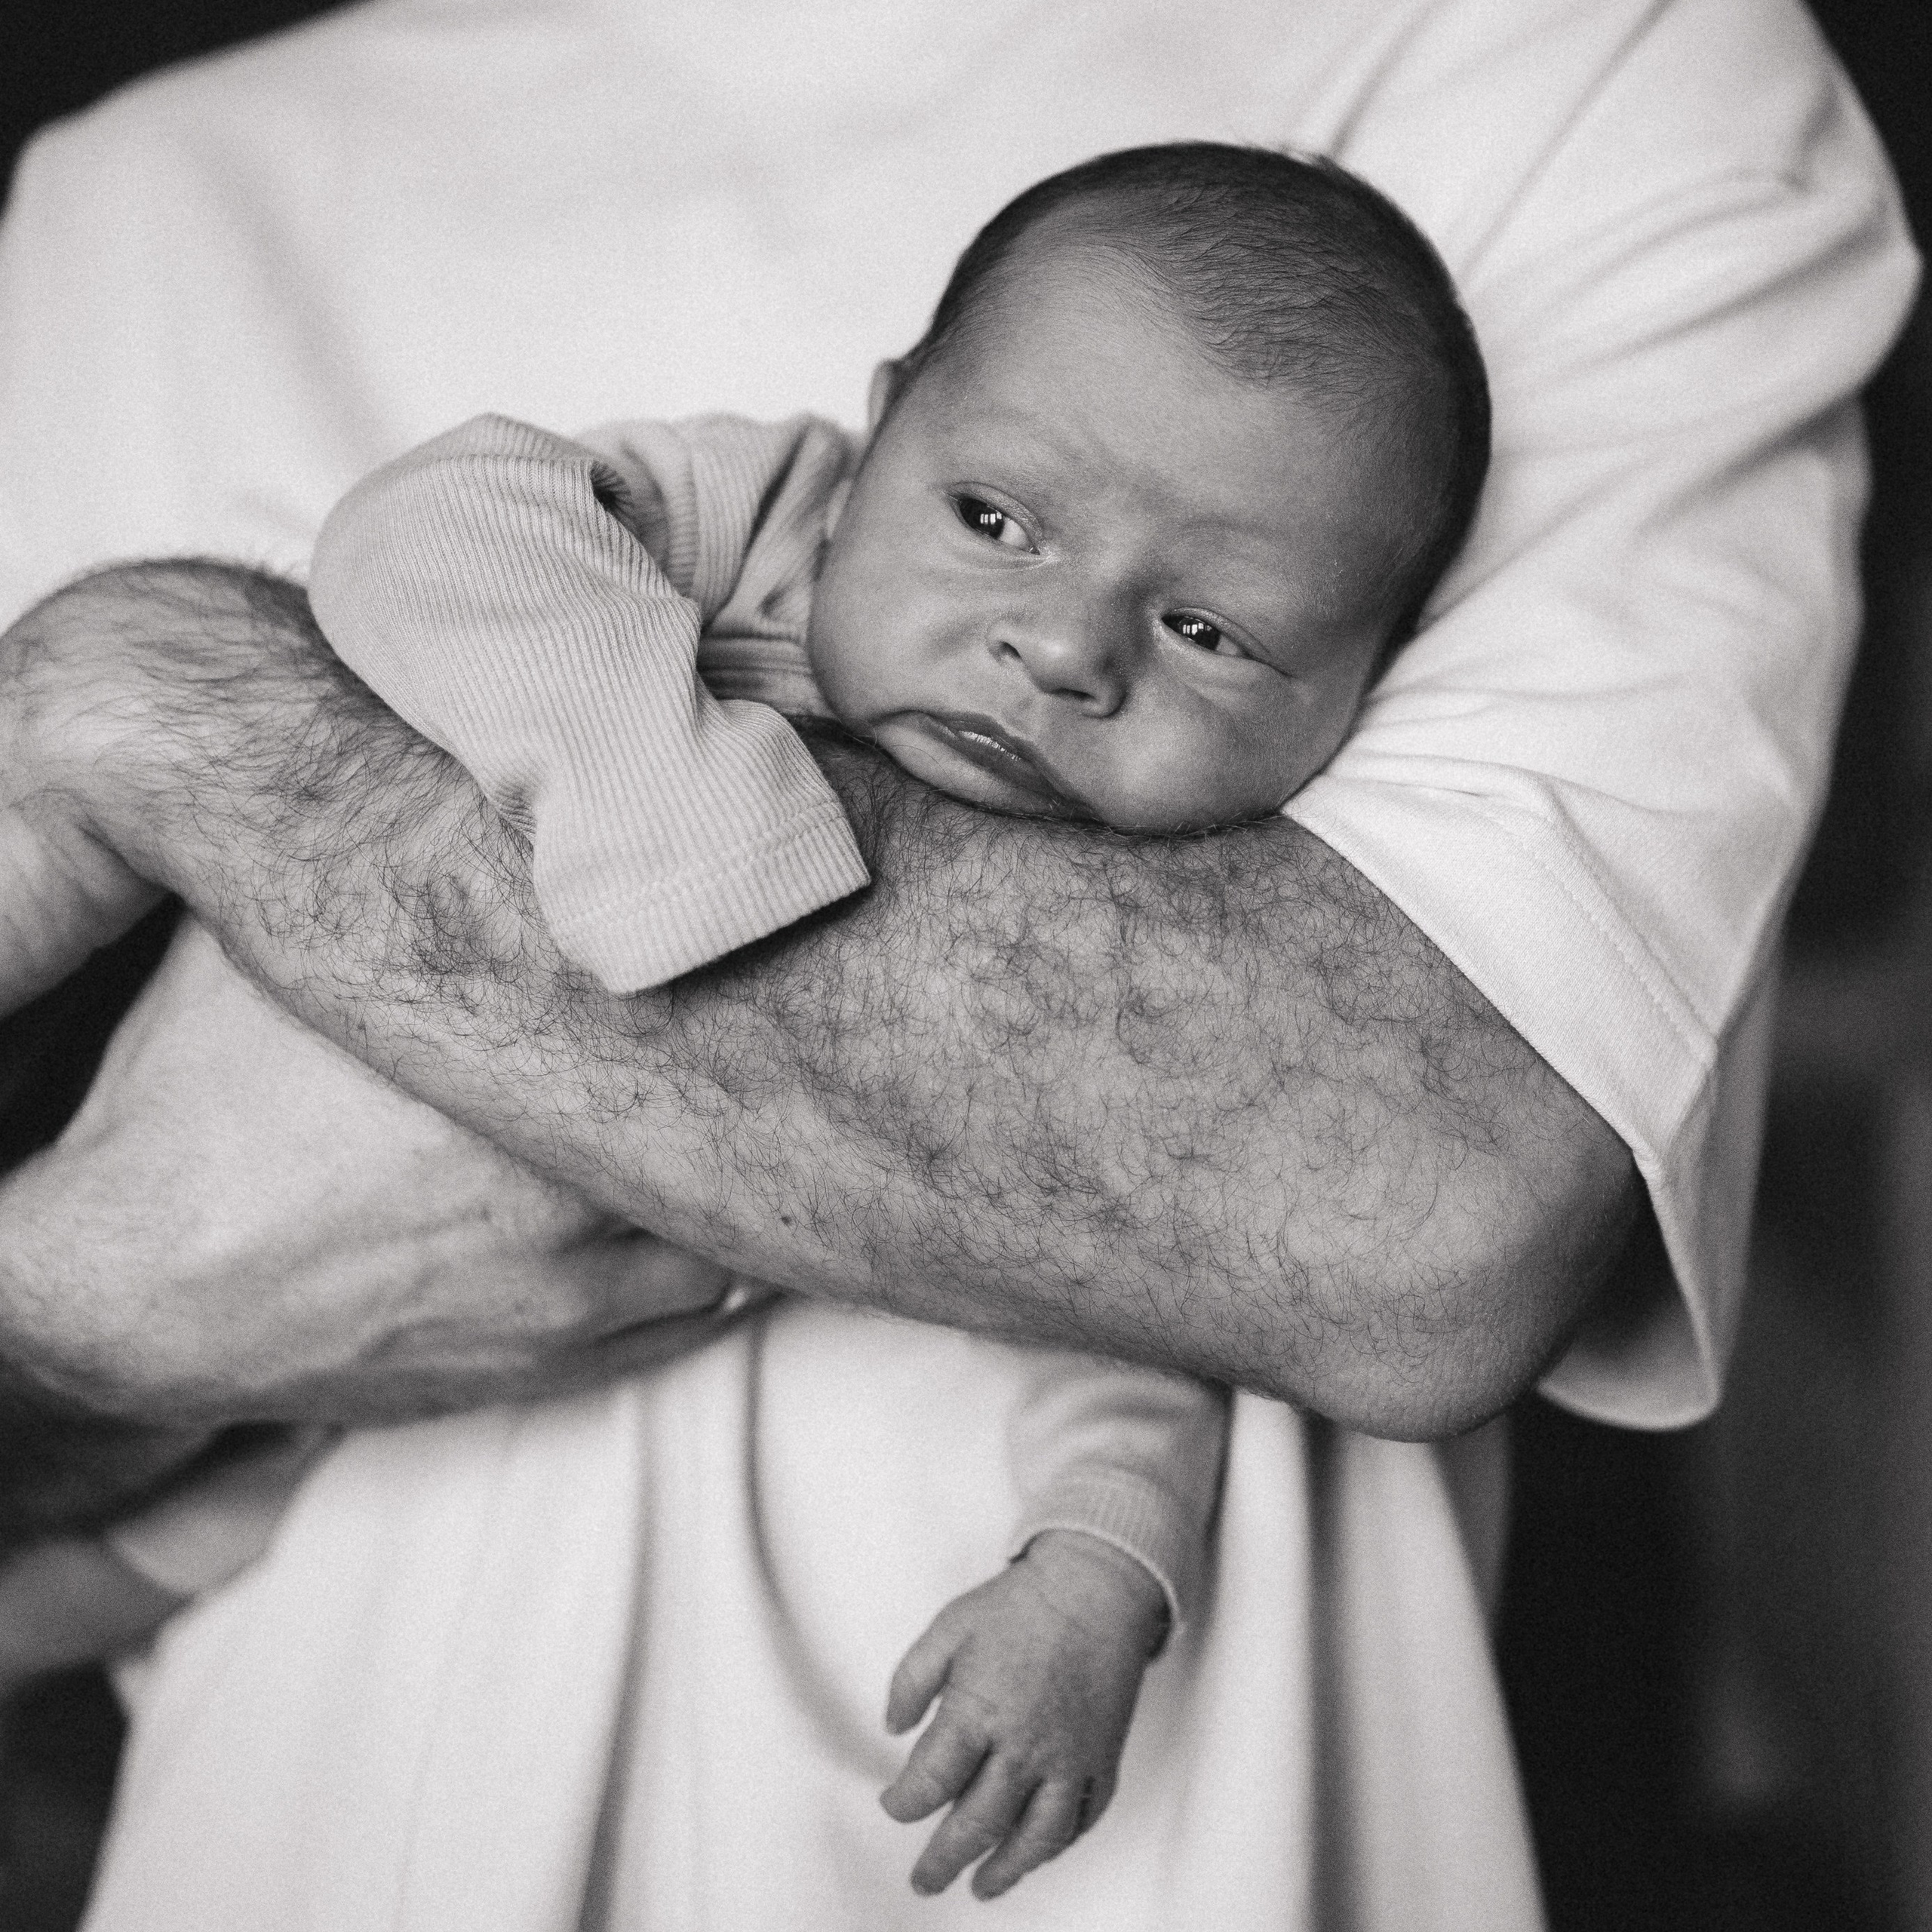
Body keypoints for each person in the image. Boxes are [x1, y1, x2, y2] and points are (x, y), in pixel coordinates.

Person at [0, 1, 1915, 1925]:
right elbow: (445, 521)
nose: (1067, 651)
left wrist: (1090, 1584)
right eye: (990, 518)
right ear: (880, 423)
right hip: (356, 1796)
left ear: (1362, 702)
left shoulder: (1597, 51)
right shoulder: (737, 510)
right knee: (189, 1532)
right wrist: (663, 810)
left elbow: (1304, 1264)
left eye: (1212, 633)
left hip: (1018, 1850)